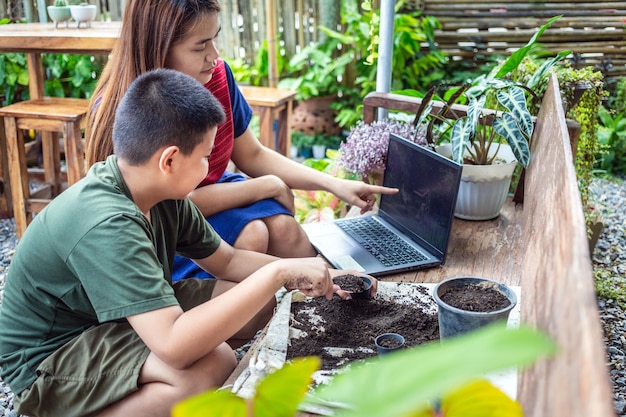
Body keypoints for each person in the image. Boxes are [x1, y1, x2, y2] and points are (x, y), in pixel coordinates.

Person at [0, 69, 373, 417]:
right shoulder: (107, 221)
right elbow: (174, 347)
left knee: (255, 303)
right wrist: (278, 271)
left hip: (105, 321)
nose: (214, 166)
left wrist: (322, 273)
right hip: (50, 359)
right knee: (209, 367)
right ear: (170, 160)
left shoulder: (161, 195)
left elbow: (226, 262)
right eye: (207, 156)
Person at [85, 0, 398, 281]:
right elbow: (171, 207)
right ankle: (250, 329)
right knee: (252, 234)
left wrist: (333, 184)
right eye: (200, 46)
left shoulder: (217, 76)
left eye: (215, 38)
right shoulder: (128, 113)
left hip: (217, 193)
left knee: (284, 229)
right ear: (159, 47)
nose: (215, 56)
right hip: (160, 230)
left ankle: (329, 295)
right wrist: (266, 186)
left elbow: (252, 154)